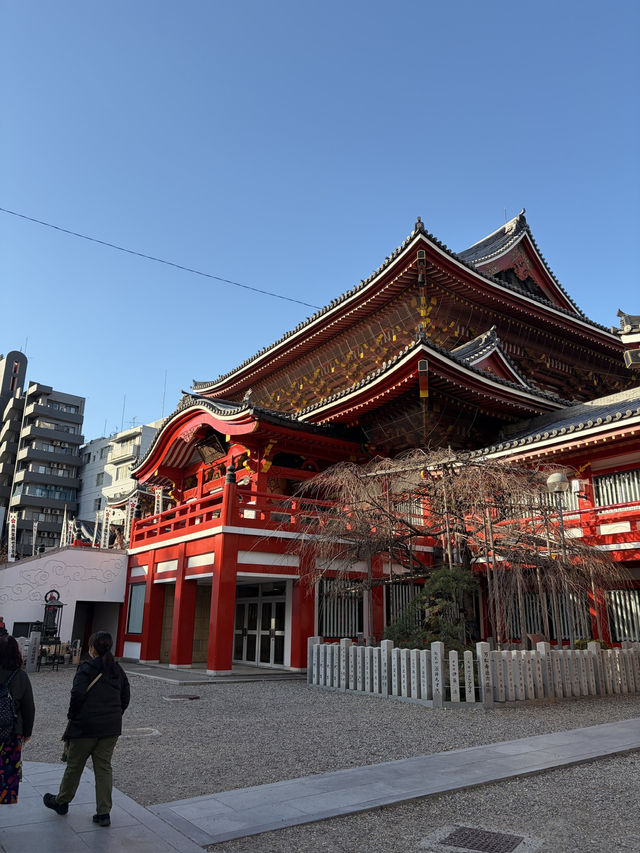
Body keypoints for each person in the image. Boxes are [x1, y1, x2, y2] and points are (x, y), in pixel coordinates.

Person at [43, 630, 130, 827]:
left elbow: (77, 694)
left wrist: (73, 716)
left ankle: (62, 801)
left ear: (92, 648)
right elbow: (125, 697)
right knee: (104, 767)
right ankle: (104, 812)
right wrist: (115, 714)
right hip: (110, 727)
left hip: (85, 726)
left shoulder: (87, 668)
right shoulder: (117, 669)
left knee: (75, 765)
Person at [0, 635, 35, 805]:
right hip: (12, 731)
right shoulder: (20, 676)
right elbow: (29, 707)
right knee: (6, 773)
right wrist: (27, 732)